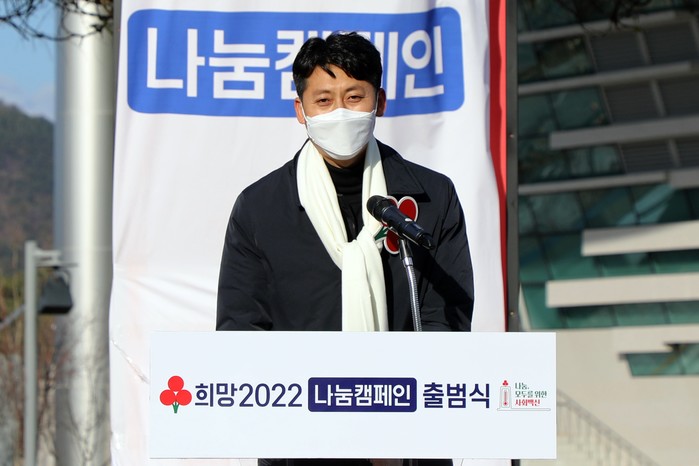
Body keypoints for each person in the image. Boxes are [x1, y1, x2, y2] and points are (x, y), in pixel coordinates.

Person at [216, 32, 474, 465]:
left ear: (379, 102)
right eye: (323, 100)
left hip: (407, 447)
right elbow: (241, 333)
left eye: (354, 97)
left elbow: (447, 316)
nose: (339, 112)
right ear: (300, 110)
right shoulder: (260, 208)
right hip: (300, 449)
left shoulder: (430, 197)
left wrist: (397, 424)